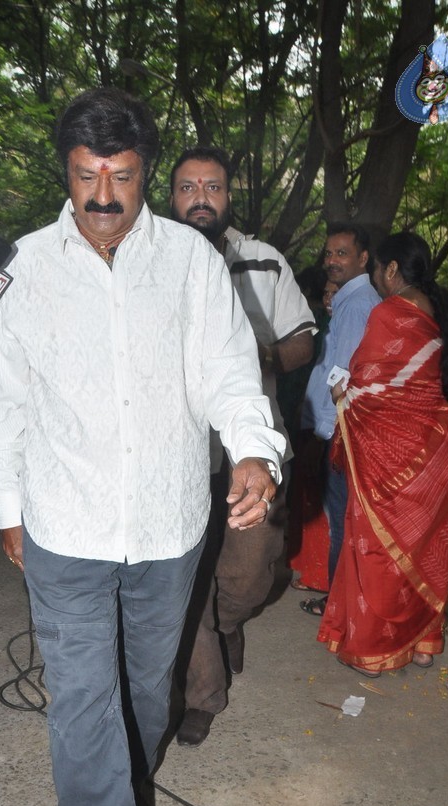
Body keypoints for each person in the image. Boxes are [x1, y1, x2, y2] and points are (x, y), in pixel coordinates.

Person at [0, 89, 285, 806]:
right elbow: (3, 401)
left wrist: (255, 453)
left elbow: (229, 373)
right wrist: (8, 509)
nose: (103, 195)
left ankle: (116, 787)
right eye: (85, 176)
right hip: (64, 523)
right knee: (80, 700)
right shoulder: (25, 268)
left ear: (146, 173)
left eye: (120, 176)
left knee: (146, 693)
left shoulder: (190, 264)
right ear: (65, 175)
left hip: (166, 523)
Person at [168, 145, 315, 745]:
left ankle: (228, 623)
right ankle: (202, 690)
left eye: (213, 187)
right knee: (185, 567)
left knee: (253, 569)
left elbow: (303, 340)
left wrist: (256, 356)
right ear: (170, 195)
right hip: (176, 442)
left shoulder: (264, 262)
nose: (200, 198)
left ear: (230, 197)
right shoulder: (152, 260)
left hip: (251, 440)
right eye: (187, 188)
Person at [317, 232, 448, 676]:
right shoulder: (440, 316)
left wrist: (340, 392)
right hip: (436, 451)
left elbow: (366, 388)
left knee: (377, 550)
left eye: (375, 269)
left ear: (390, 269)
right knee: (425, 548)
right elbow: (419, 390)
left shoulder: (390, 314)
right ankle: (423, 644)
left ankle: (371, 649)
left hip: (390, 455)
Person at [299, 223, 380, 616]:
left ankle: (338, 606)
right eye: (329, 253)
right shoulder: (349, 300)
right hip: (339, 429)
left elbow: (342, 376)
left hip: (341, 431)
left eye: (342, 253)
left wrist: (326, 435)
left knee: (341, 521)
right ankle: (341, 602)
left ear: (363, 258)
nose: (332, 261)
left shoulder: (359, 303)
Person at [287, 275, 337, 595]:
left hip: (323, 426)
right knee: (305, 495)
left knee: (317, 499)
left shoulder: (327, 326)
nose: (330, 299)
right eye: (327, 292)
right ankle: (307, 567)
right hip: (310, 418)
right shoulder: (325, 325)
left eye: (335, 292)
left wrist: (320, 433)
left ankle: (317, 573)